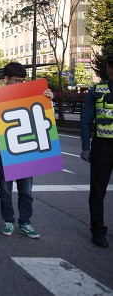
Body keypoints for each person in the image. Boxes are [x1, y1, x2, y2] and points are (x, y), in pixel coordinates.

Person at [0, 62, 52, 240]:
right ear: (6, 79)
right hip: (1, 150)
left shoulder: (31, 95)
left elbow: (44, 119)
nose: (20, 84)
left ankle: (25, 222)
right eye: (16, 80)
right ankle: (8, 220)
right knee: (5, 190)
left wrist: (48, 101)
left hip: (26, 148)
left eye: (23, 81)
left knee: (26, 190)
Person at [80, 55, 113, 248]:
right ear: (107, 68)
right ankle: (98, 230)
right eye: (111, 66)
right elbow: (86, 119)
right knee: (98, 191)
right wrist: (86, 146)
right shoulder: (96, 91)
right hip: (102, 146)